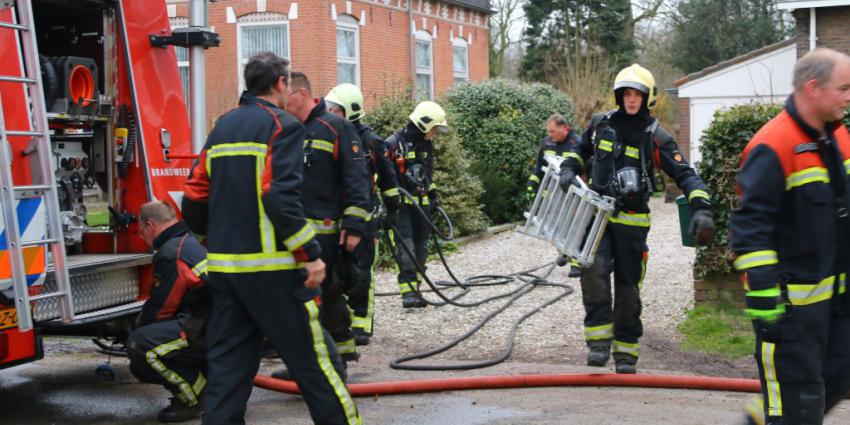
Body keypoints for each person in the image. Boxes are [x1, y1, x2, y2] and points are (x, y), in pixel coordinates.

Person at [181, 52, 360, 425]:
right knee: (315, 367)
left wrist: (209, 239)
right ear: (281, 83)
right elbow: (279, 196)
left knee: (228, 374)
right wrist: (309, 254)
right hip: (276, 273)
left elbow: (195, 196)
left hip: (227, 273)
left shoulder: (222, 127)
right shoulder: (283, 126)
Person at [558, 64, 715, 374]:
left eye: (637, 95)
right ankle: (599, 345)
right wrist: (568, 168)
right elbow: (579, 149)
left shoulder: (655, 136)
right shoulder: (600, 125)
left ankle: (627, 352)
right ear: (618, 96)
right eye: (626, 94)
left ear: (647, 98)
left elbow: (685, 173)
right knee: (593, 275)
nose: (631, 100)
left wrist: (702, 208)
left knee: (629, 289)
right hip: (597, 219)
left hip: (633, 224)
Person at [730, 48, 850, 425]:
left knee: (830, 385)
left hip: (836, 306)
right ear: (814, 88)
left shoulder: (838, 138)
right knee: (798, 407)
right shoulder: (773, 145)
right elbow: (750, 228)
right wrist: (766, 298)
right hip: (792, 312)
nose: (849, 97)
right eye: (843, 88)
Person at [283, 72, 372, 363]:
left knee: (322, 293)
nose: (282, 104)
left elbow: (357, 179)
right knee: (322, 294)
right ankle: (335, 357)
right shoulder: (289, 130)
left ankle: (323, 364)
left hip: (328, 232)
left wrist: (355, 224)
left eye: (286, 97)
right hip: (298, 231)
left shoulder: (336, 127)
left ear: (300, 94)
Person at [325, 83, 400, 345]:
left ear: (349, 111)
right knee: (338, 273)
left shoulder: (371, 141)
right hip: (338, 218)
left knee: (361, 273)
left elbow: (389, 180)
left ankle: (361, 325)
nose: (329, 112)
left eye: (334, 108)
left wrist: (392, 211)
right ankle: (341, 323)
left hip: (365, 221)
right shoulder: (330, 136)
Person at [126, 200, 209, 423]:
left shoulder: (173, 251)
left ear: (150, 225)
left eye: (141, 231)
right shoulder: (189, 240)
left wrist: (138, 326)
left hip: (210, 329)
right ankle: (209, 384)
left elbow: (162, 308)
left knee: (142, 346)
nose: (142, 237)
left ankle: (194, 398)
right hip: (222, 325)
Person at [386, 101, 448, 308]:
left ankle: (416, 290)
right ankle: (408, 293)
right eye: (435, 128)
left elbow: (429, 175)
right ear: (424, 124)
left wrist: (433, 195)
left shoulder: (426, 145)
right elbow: (382, 177)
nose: (436, 132)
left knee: (421, 250)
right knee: (407, 250)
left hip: (422, 209)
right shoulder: (394, 144)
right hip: (402, 207)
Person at [527, 113, 583, 277]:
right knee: (555, 225)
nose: (550, 135)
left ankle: (576, 263)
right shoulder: (547, 143)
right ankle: (564, 251)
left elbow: (585, 167)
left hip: (574, 192)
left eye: (553, 132)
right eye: (548, 132)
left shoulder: (576, 143)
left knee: (574, 225)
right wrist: (532, 183)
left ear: (564, 128)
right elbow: (539, 166)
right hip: (554, 192)